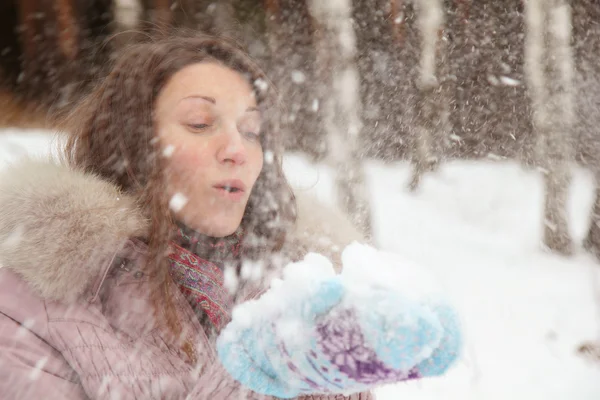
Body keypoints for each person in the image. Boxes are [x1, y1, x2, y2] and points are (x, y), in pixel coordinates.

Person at [0, 34, 460, 399]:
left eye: (253, 131)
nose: (237, 150)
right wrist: (255, 370)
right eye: (200, 123)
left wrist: (349, 372)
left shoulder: (298, 291)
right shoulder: (30, 301)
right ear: (131, 148)